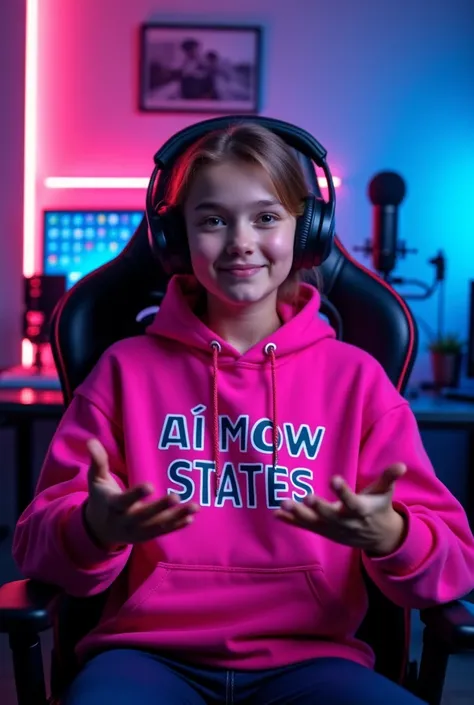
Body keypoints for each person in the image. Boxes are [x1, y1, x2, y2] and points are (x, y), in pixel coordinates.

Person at [12, 122, 474, 705]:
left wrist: (391, 536)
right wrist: (92, 529)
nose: (239, 241)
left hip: (314, 660)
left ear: (307, 232)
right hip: (147, 658)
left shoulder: (357, 381)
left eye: (266, 217)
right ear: (174, 239)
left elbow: (454, 564)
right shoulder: (123, 372)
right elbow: (35, 544)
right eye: (211, 220)